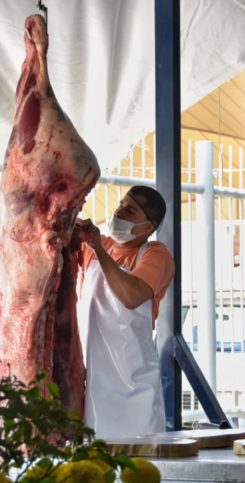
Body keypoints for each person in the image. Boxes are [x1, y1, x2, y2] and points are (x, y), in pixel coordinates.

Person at [76, 185, 174, 439]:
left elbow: (131, 296)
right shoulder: (98, 246)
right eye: (121, 204)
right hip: (95, 383)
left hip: (135, 389)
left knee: (138, 466)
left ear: (148, 227)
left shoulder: (156, 254)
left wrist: (97, 248)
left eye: (130, 210)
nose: (119, 212)